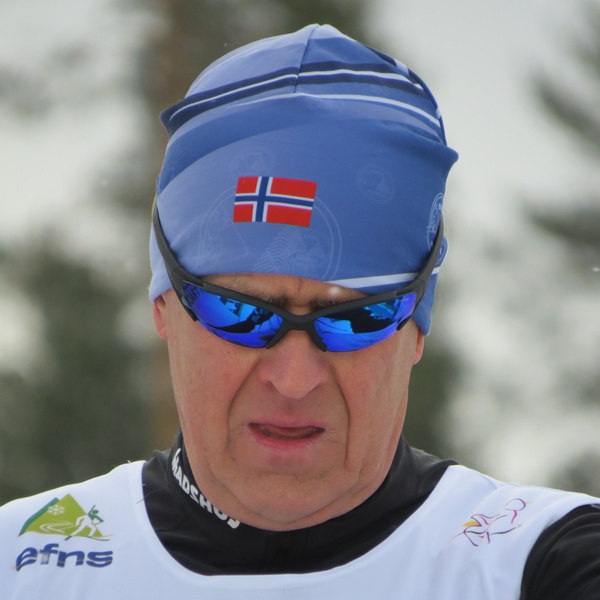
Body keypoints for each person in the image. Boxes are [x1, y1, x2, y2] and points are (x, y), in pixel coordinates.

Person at [1, 24, 599, 599]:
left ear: (417, 326)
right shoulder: (23, 564)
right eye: (241, 313)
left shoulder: (536, 561)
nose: (293, 380)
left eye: (355, 320)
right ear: (164, 304)